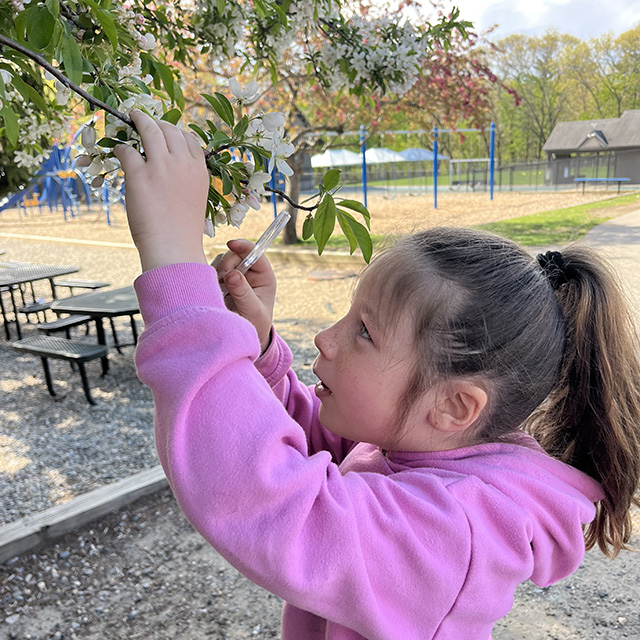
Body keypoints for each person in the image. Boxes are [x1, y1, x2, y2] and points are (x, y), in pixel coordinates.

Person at [114, 110, 640, 640]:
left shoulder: (454, 532)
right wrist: (261, 346)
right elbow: (322, 440)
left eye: (364, 331)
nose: (324, 338)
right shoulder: (420, 441)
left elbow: (273, 500)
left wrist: (176, 271)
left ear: (454, 406)